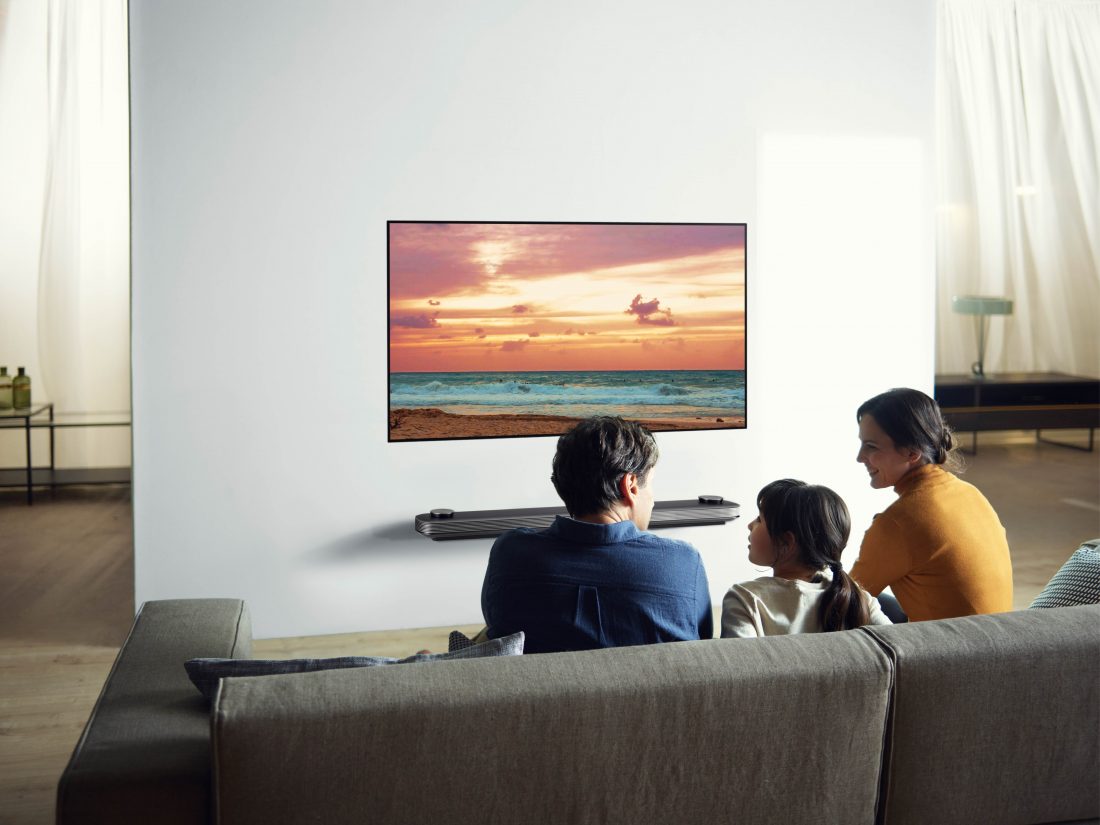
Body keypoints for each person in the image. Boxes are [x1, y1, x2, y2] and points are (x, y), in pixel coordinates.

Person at [480, 416, 713, 653]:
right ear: (630, 486)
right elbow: (702, 653)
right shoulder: (683, 562)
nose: (652, 499)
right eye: (650, 484)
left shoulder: (510, 554)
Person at [851, 387, 1013, 622]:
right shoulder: (970, 493)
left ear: (911, 452)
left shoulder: (897, 523)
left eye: (871, 446)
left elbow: (845, 604)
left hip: (949, 654)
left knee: (845, 603)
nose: (860, 456)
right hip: (999, 643)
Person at [721, 479, 890, 638]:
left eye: (759, 519)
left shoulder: (745, 599)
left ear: (787, 542)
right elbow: (901, 650)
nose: (750, 525)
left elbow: (741, 667)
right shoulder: (859, 599)